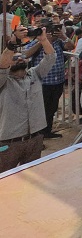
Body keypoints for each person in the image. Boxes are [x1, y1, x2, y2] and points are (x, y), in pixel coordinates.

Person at [0, 31, 56, 172]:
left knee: (33, 176)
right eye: (14, 57)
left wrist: (43, 39)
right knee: (5, 179)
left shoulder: (35, 74)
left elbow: (51, 57)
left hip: (35, 139)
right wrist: (12, 44)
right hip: (9, 143)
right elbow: (2, 66)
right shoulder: (3, 81)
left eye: (22, 57)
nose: (19, 59)